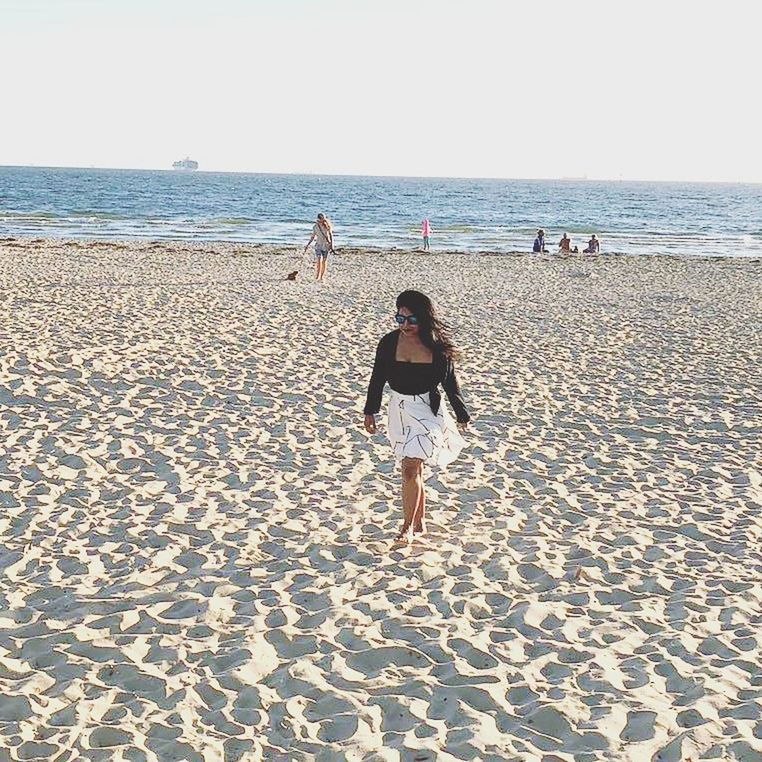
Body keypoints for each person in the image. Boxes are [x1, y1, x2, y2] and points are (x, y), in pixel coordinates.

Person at [364, 290, 470, 542]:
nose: (405, 325)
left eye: (411, 320)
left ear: (423, 319)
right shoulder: (389, 343)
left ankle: (407, 527)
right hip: (398, 410)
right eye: (400, 319)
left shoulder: (437, 348)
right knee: (413, 468)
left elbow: (450, 384)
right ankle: (420, 521)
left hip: (427, 411)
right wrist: (370, 411)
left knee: (410, 468)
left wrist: (461, 413)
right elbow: (377, 378)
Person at [303, 213, 334, 281]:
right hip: (318, 245)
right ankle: (317, 276)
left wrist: (332, 245)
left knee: (324, 261)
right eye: (319, 220)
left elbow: (331, 236)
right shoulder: (315, 227)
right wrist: (308, 245)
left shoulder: (327, 226)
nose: (320, 221)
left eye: (322, 220)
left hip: (326, 245)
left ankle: (322, 276)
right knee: (319, 260)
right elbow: (313, 236)